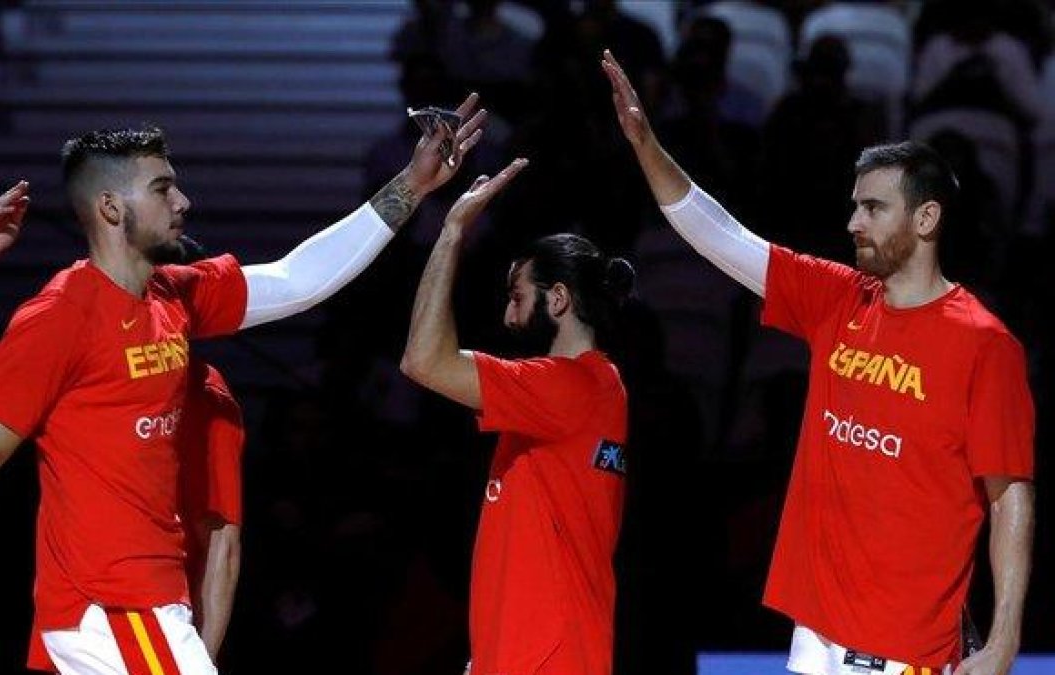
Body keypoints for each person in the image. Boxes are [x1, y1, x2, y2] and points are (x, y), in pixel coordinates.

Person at [0, 94, 488, 675]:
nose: (182, 202)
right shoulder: (62, 315)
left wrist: (413, 183)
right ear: (111, 208)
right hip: (116, 611)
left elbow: (297, 279)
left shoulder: (176, 295)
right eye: (162, 188)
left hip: (139, 612)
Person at [602, 49, 1035, 675]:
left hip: (903, 640)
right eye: (855, 205)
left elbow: (1009, 496)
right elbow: (726, 241)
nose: (853, 221)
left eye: (874, 208)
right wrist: (645, 144)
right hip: (816, 627)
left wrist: (1003, 640)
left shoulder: (985, 344)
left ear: (928, 217)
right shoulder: (837, 299)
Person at [0, 181, 244, 669]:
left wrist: (193, 656)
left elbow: (222, 544)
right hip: (101, 606)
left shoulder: (208, 397)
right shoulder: (84, 335)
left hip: (144, 615)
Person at [399, 158, 635, 675]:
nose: (507, 316)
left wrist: (452, 231)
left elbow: (422, 360)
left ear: (558, 299)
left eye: (517, 297)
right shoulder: (588, 389)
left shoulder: (568, 387)